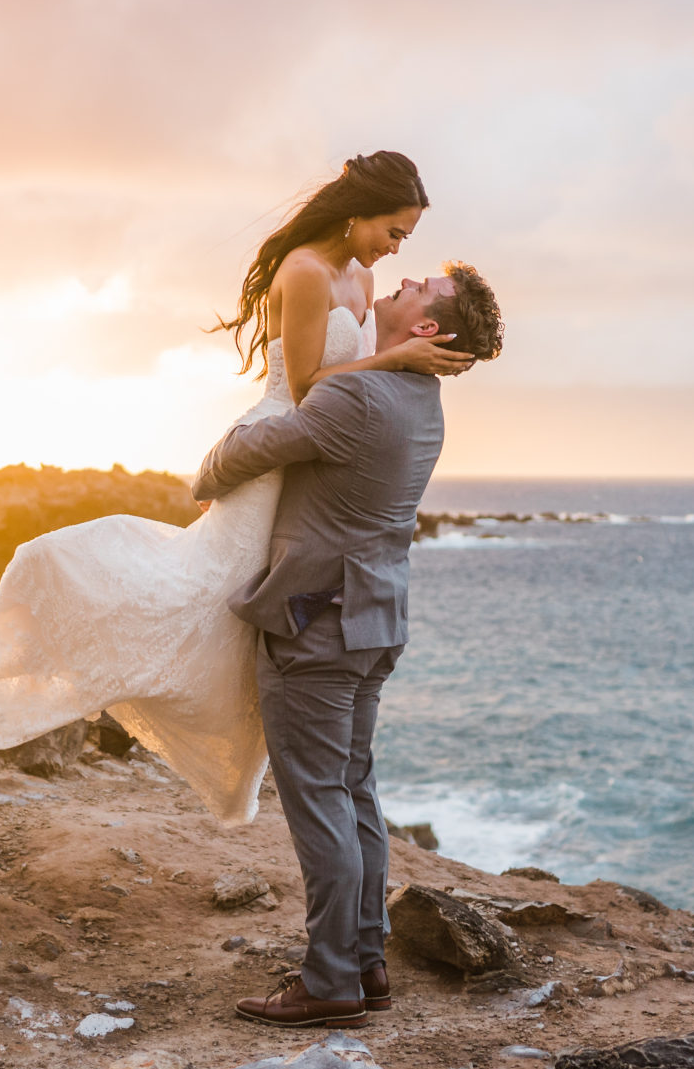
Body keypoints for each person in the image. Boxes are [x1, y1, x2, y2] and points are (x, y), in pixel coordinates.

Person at [0, 153, 473, 820]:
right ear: (359, 210)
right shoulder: (305, 272)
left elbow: (351, 384)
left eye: (404, 239)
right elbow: (310, 388)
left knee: (250, 612)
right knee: (204, 594)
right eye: (393, 231)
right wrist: (394, 359)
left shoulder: (362, 276)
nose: (395, 249)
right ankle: (58, 642)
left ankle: (251, 752)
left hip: (315, 453)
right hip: (284, 438)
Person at [193, 262, 503, 1028]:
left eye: (419, 286)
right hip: (375, 622)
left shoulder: (357, 394)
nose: (404, 278)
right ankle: (366, 959)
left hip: (317, 626)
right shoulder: (421, 399)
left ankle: (330, 978)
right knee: (354, 786)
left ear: (426, 328)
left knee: (321, 799)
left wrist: (220, 449)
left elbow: (228, 465)